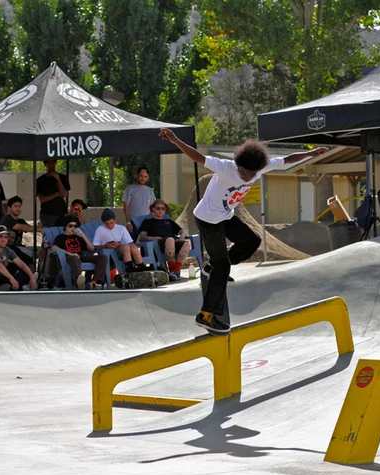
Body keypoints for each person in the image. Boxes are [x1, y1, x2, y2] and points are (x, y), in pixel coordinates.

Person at [159, 127, 327, 334]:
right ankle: (207, 315)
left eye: (251, 174)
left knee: (252, 241)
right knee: (223, 266)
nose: (247, 177)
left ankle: (212, 268)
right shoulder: (225, 167)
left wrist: (311, 153)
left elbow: (288, 159)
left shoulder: (261, 167)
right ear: (238, 165)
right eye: (244, 172)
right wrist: (175, 139)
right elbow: (197, 156)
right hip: (207, 219)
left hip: (226, 217)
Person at [137, 200, 192, 282]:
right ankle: (172, 269)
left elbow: (182, 231)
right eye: (158, 208)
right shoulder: (148, 222)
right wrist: (151, 238)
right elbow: (142, 236)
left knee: (187, 244)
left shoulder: (169, 221)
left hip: (171, 242)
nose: (160, 211)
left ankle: (174, 271)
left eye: (163, 209)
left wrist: (182, 236)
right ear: (153, 209)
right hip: (157, 245)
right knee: (170, 240)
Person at [49, 216, 110, 289]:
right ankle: (79, 282)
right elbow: (54, 247)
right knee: (74, 258)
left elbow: (92, 248)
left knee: (103, 257)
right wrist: (70, 253)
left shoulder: (78, 237)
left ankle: (94, 282)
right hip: (68, 258)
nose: (73, 228)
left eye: (75, 226)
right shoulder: (61, 237)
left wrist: (83, 236)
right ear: (65, 227)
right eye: (70, 226)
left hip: (81, 257)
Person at [0, 225, 37, 291]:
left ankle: (21, 287)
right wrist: (12, 279)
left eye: (6, 237)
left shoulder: (7, 250)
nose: (3, 239)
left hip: (2, 279)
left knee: (19, 271)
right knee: (5, 275)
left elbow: (20, 263)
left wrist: (32, 277)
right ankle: (13, 287)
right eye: (0, 236)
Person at [92, 208, 146, 273]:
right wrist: (105, 245)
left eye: (111, 223)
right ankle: (130, 271)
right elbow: (95, 247)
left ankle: (142, 269)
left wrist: (118, 244)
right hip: (109, 254)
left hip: (124, 252)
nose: (109, 225)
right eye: (106, 223)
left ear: (115, 220)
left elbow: (130, 243)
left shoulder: (121, 228)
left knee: (134, 247)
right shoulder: (100, 230)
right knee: (125, 247)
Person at [0, 196, 35, 266]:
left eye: (19, 206)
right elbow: (22, 227)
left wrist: (42, 229)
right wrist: (40, 229)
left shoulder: (20, 220)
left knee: (42, 251)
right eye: (15, 206)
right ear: (10, 208)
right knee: (30, 254)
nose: (18, 208)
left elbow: (28, 228)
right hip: (9, 248)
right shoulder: (6, 219)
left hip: (19, 247)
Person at [36, 159, 71, 228]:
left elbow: (63, 194)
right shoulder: (40, 180)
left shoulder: (63, 177)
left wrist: (58, 179)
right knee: (48, 236)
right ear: (45, 165)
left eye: (53, 163)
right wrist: (56, 194)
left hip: (61, 213)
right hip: (47, 214)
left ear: (55, 164)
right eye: (49, 163)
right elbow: (42, 199)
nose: (51, 165)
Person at [123, 167, 157, 233]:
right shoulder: (130, 189)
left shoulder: (149, 191)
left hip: (146, 223)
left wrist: (150, 221)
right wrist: (128, 222)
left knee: (145, 242)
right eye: (141, 176)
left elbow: (152, 208)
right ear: (137, 176)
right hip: (133, 222)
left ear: (148, 178)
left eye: (145, 176)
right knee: (131, 242)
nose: (143, 178)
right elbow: (125, 207)